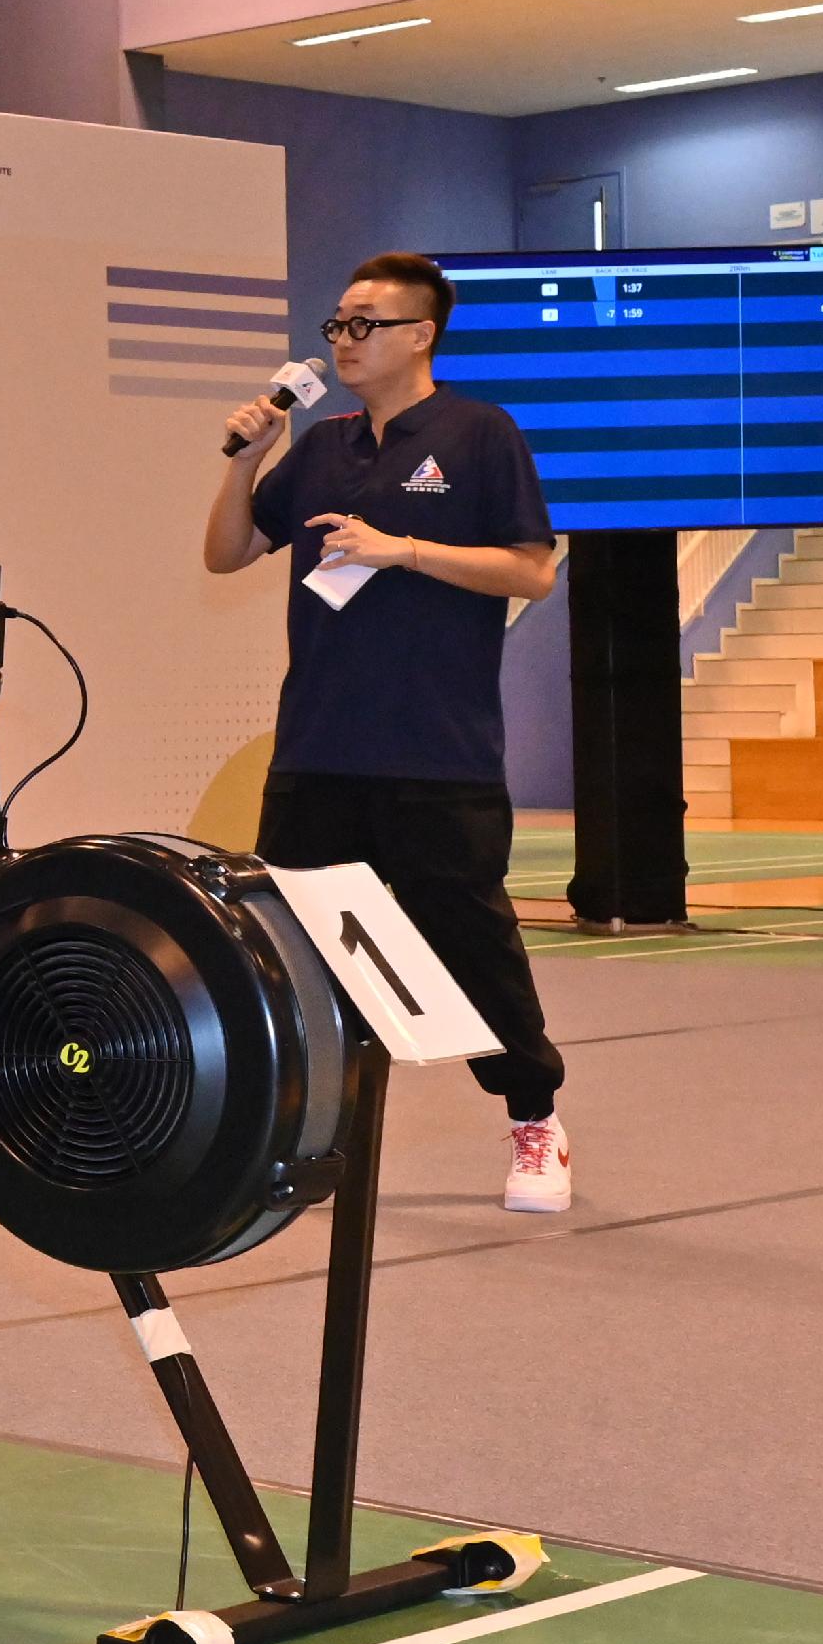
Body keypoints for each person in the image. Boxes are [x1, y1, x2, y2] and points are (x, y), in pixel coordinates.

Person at [205, 250, 570, 1211]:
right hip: (318, 749)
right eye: (337, 323)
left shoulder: (479, 432)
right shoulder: (319, 443)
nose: (343, 339)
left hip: (436, 753)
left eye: (364, 323)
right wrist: (248, 459)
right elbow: (226, 551)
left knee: (469, 943)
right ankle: (299, 1135)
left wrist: (400, 549)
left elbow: (533, 571)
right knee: (293, 948)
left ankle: (534, 1118)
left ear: (421, 334)